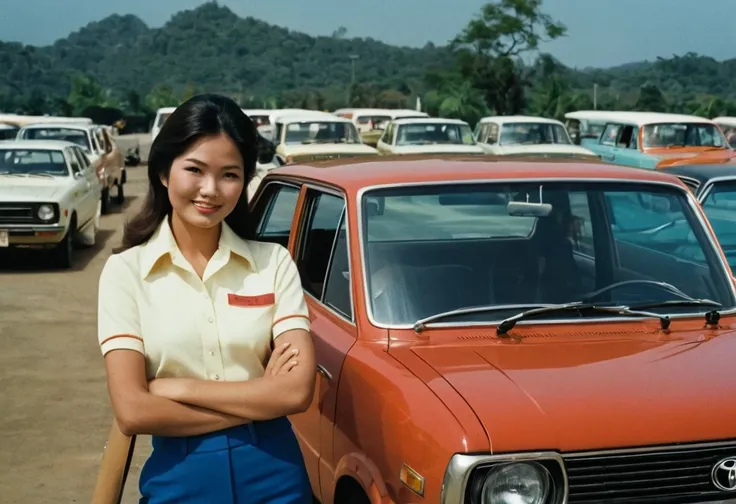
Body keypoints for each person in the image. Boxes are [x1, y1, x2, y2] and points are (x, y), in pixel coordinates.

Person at [96, 93, 315, 503]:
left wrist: (172, 387)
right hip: (179, 478)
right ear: (163, 172)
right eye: (195, 170)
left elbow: (296, 393)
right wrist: (258, 396)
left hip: (276, 476)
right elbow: (133, 411)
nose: (210, 190)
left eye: (230, 175)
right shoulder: (126, 273)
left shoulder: (273, 263)